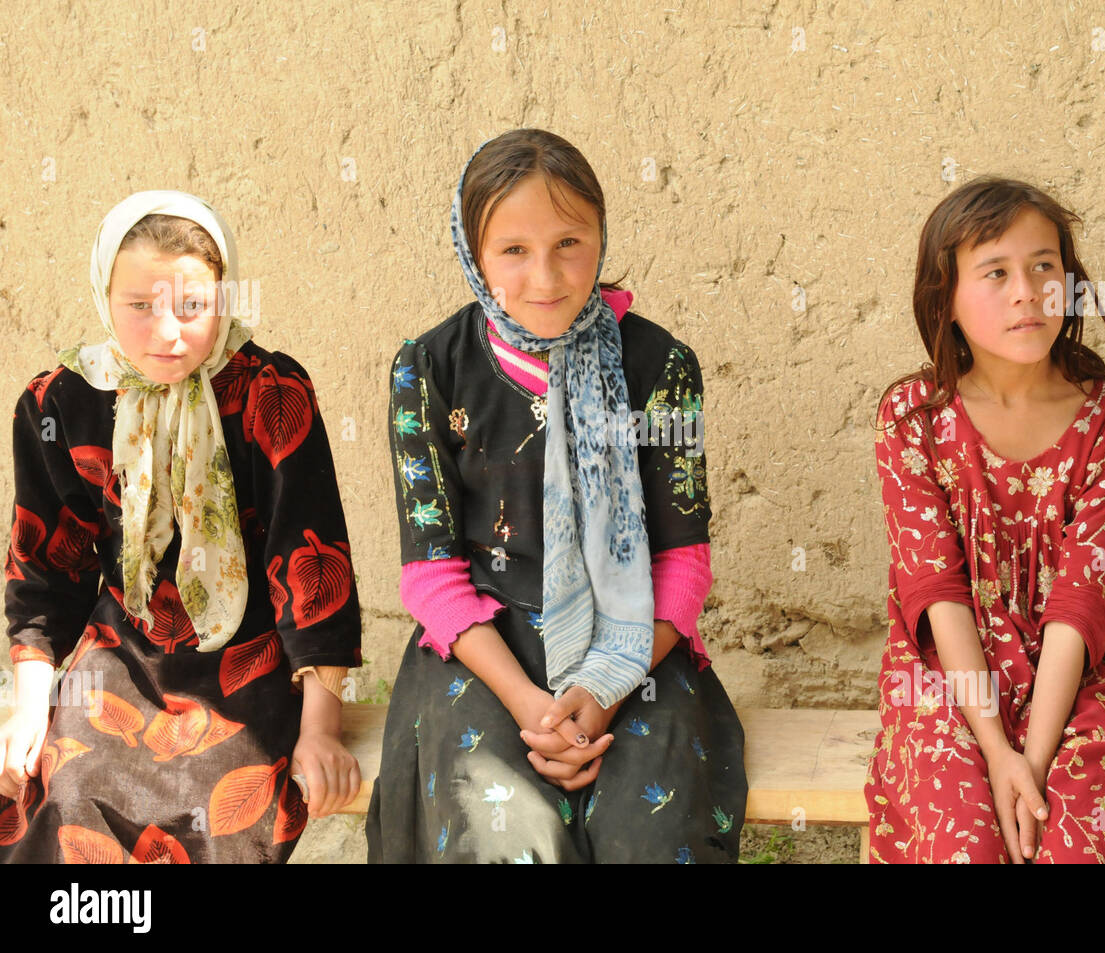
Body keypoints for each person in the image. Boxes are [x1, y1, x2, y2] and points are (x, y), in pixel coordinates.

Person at [366, 129, 746, 864]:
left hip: (634, 640)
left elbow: (683, 566)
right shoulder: (428, 370)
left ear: (601, 238)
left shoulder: (659, 366)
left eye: (569, 241)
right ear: (472, 254)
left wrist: (604, 689)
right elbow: (431, 575)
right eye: (513, 250)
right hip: (482, 650)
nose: (545, 275)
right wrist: (528, 705)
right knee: (502, 836)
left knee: (649, 833)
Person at [0, 191, 362, 863]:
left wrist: (321, 726)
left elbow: (312, 560)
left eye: (192, 306)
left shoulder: (269, 392)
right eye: (140, 305)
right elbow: (47, 569)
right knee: (69, 790)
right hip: (124, 654)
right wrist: (26, 707)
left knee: (219, 815)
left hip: (250, 658)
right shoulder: (61, 401)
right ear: (103, 293)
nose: (168, 331)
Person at [865, 177, 1105, 863]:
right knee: (967, 843)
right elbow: (936, 592)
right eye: (996, 272)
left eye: (1045, 266)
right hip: (951, 680)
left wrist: (1030, 764)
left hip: (1080, 682)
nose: (1026, 291)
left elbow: (1082, 601)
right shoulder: (913, 420)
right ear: (944, 299)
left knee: (1071, 842)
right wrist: (994, 751)